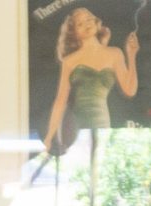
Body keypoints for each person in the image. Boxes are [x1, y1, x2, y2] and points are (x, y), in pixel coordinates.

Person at [42, 6, 139, 156]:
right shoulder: (69, 61)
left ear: (96, 22)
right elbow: (60, 101)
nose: (86, 24)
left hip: (103, 122)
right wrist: (49, 136)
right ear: (74, 33)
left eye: (88, 19)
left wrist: (131, 55)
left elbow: (130, 89)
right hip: (78, 127)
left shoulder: (114, 53)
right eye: (80, 24)